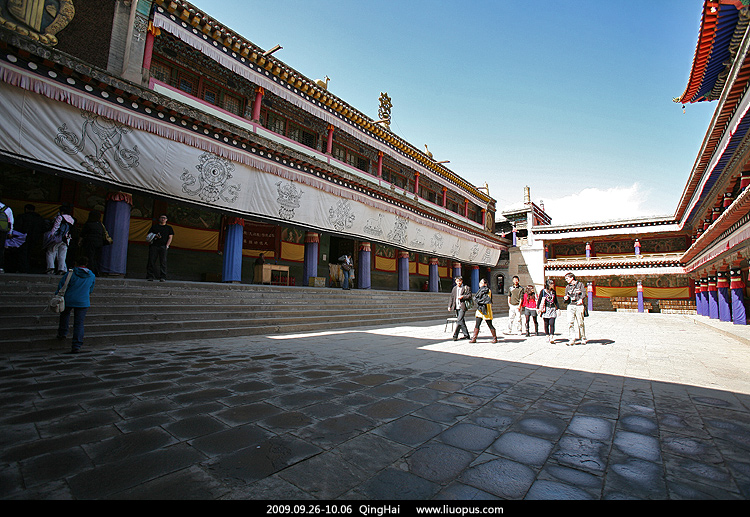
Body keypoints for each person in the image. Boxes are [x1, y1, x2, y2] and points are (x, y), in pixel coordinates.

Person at [55, 256, 96, 354]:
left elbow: (62, 285)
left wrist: (57, 294)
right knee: (79, 324)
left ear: (76, 263)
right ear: (86, 264)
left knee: (64, 315)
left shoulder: (71, 273)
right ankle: (76, 345)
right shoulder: (91, 275)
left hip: (69, 299)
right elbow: (91, 288)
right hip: (83, 301)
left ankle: (62, 333)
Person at [13, 204, 44, 273]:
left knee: (22, 253)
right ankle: (29, 268)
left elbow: (18, 227)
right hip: (35, 238)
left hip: (23, 238)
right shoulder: (39, 218)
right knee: (30, 253)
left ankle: (23, 268)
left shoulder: (23, 217)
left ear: (26, 209)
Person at [44, 205, 75, 275]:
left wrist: (50, 236)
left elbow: (55, 228)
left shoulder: (60, 217)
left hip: (58, 238)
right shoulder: (72, 219)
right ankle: (62, 269)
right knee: (62, 254)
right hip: (66, 239)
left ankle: (50, 268)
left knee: (50, 251)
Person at [146, 214, 174, 282]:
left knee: (163, 262)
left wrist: (167, 245)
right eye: (162, 217)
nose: (163, 219)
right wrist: (155, 236)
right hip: (154, 245)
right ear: (159, 219)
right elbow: (149, 235)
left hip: (163, 246)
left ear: (166, 219)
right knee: (151, 261)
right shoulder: (155, 227)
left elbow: (170, 237)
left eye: (164, 218)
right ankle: (150, 276)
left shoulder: (169, 228)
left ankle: (163, 276)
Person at [79, 210, 106, 276]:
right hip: (99, 243)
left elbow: (82, 234)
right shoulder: (100, 225)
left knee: (90, 256)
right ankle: (96, 271)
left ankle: (91, 270)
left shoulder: (88, 224)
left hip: (90, 242)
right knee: (96, 257)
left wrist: (79, 241)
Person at [470, 278, 497, 343]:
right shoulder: (480, 290)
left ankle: (495, 338)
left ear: (485, 284)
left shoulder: (488, 290)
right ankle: (474, 338)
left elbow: (485, 299)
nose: (480, 284)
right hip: (480, 309)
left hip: (486, 309)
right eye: (480, 283)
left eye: (481, 283)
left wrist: (478, 300)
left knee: (489, 324)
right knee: (477, 324)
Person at [564, 272, 587, 345]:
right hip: (571, 305)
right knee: (570, 322)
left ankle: (583, 338)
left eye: (567, 278)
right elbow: (566, 295)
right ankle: (572, 338)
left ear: (572, 278)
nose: (566, 280)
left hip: (579, 305)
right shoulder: (567, 287)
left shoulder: (580, 285)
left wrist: (581, 299)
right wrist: (566, 298)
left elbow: (584, 293)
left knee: (580, 323)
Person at [448, 276, 472, 341]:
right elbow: (452, 297)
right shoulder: (454, 288)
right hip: (456, 306)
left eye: (460, 281)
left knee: (459, 320)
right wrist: (449, 306)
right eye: (457, 281)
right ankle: (466, 335)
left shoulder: (466, 288)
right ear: (455, 281)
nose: (459, 282)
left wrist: (463, 297)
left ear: (462, 281)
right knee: (461, 321)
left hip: (462, 306)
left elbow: (469, 296)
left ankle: (455, 335)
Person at [537, 278, 559, 343]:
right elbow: (539, 300)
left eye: (553, 283)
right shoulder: (543, 291)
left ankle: (552, 336)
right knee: (546, 323)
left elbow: (556, 301)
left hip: (552, 308)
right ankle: (547, 335)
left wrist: (558, 308)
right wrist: (538, 308)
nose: (552, 284)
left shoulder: (553, 291)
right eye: (551, 283)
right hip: (545, 309)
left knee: (552, 323)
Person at [0, 198, 13, 273]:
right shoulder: (7, 209)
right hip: (2, 231)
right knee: (1, 249)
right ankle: (1, 267)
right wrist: (10, 232)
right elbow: (11, 222)